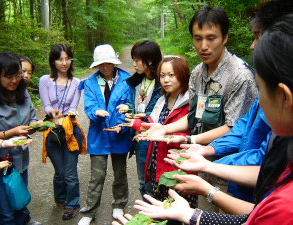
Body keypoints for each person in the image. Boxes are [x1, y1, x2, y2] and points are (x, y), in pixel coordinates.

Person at [114, 13, 293, 225]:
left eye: (211, 38)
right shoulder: (198, 73)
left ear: (225, 37)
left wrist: (205, 156)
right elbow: (199, 120)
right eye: (197, 38)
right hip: (202, 166)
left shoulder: (241, 76)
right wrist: (173, 133)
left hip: (234, 176)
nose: (203, 46)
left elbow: (236, 130)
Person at [121, 54, 196, 224]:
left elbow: (191, 135)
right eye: (162, 75)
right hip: (157, 166)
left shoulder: (191, 103)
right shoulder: (162, 100)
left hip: (178, 168)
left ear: (183, 75)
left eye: (171, 75)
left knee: (179, 214)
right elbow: (151, 127)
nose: (166, 80)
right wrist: (134, 124)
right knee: (161, 213)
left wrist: (166, 135)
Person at [77, 44, 131, 225]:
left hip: (119, 134)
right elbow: (90, 106)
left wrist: (123, 126)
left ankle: (119, 204)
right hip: (98, 134)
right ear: (96, 65)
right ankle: (89, 211)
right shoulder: (90, 82)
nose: (105, 67)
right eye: (101, 64)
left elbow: (130, 107)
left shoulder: (127, 79)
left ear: (114, 63)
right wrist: (96, 113)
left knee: (120, 173)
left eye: (108, 63)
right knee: (97, 175)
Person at [0, 52, 42, 224]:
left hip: (20, 159)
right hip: (0, 163)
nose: (14, 81)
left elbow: (32, 118)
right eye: (8, 76)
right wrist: (11, 133)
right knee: (5, 213)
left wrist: (36, 126)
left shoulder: (23, 94)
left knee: (19, 199)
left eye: (17, 76)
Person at [39, 43, 86, 220]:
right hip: (52, 131)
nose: (64, 62)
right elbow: (46, 105)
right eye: (60, 59)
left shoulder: (76, 82)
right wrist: (52, 112)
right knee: (59, 172)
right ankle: (60, 198)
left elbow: (73, 105)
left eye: (67, 58)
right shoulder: (45, 80)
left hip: (70, 130)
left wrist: (71, 112)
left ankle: (73, 204)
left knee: (70, 173)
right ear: (53, 61)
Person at [116, 40, 162, 200]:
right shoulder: (137, 81)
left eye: (136, 60)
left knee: (154, 182)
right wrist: (126, 108)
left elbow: (164, 109)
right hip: (138, 138)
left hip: (154, 139)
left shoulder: (162, 82)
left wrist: (146, 114)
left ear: (149, 60)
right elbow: (132, 102)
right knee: (142, 182)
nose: (134, 64)